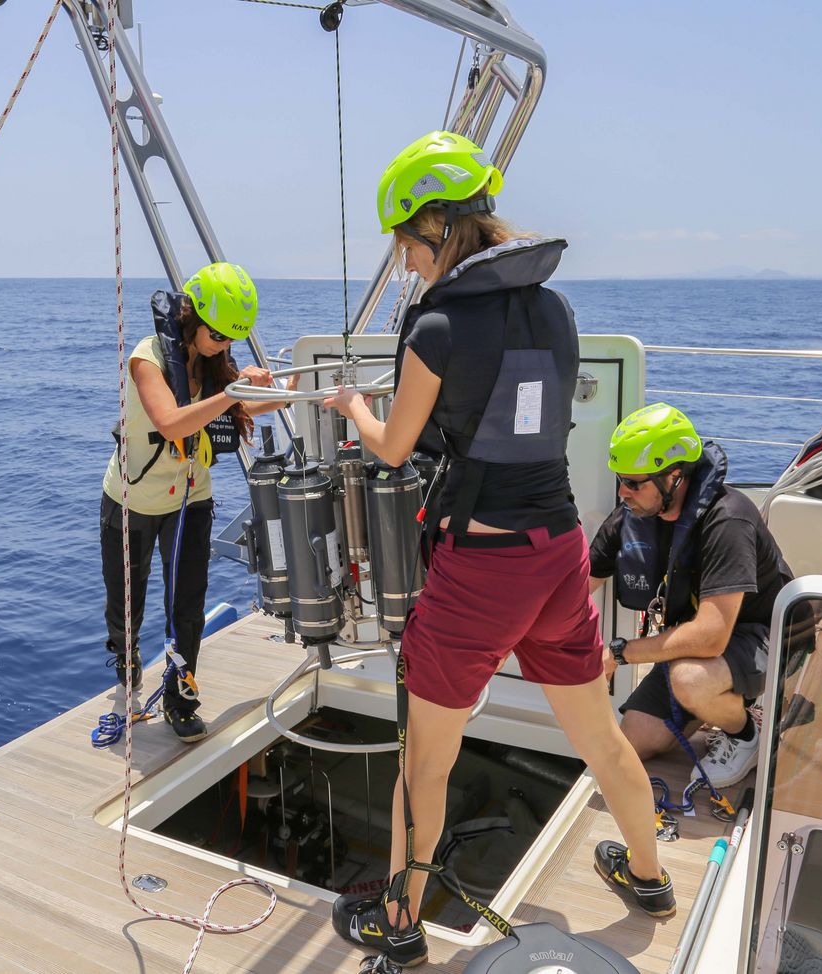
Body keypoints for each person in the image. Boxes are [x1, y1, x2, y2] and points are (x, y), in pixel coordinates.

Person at [325, 132, 674, 969]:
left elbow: (395, 448)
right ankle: (651, 876)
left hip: (483, 569)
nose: (405, 263)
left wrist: (349, 405)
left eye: (407, 245)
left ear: (438, 227)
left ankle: (400, 925)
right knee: (601, 737)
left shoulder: (436, 326)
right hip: (556, 555)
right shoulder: (555, 309)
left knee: (426, 763)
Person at [100, 262, 294, 743]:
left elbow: (241, 406)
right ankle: (127, 663)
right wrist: (231, 393)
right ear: (193, 318)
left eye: (233, 340)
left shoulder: (214, 364)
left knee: (187, 602)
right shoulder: (147, 359)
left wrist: (290, 393)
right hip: (133, 499)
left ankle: (180, 697)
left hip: (192, 497)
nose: (224, 346)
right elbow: (171, 423)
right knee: (127, 600)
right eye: (218, 336)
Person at [590, 402, 794, 788]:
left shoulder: (727, 519)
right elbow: (582, 583)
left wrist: (618, 653)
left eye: (634, 483)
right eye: (620, 479)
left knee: (690, 679)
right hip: (696, 643)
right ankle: (718, 700)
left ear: (675, 477)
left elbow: (711, 636)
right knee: (635, 738)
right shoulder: (630, 518)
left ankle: (745, 733)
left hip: (765, 635)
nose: (623, 492)